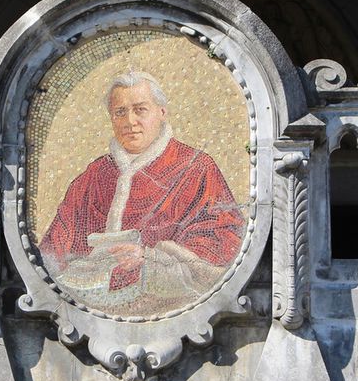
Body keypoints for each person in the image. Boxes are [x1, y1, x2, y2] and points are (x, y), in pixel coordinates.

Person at [39, 71, 245, 313]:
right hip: (91, 310)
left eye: (140, 109)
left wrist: (149, 259)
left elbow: (223, 248)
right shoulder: (93, 176)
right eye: (120, 112)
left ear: (162, 112)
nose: (130, 122)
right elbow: (52, 254)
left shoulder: (197, 168)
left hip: (171, 309)